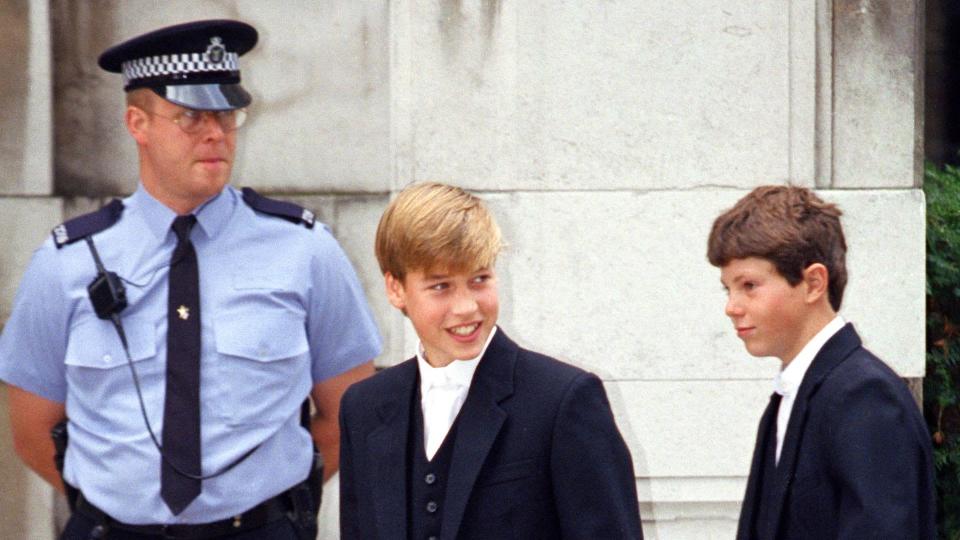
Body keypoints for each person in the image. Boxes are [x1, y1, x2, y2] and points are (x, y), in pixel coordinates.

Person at [0, 19, 381, 539]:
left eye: (227, 115)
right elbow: (31, 429)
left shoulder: (304, 250)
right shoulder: (67, 262)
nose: (215, 134)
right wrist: (116, 506)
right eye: (191, 116)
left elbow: (352, 415)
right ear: (138, 124)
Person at [338, 182, 643, 539]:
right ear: (396, 289)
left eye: (479, 279)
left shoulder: (564, 399)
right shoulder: (363, 407)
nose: (467, 307)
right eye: (441, 286)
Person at [707, 185, 935, 539]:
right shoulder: (794, 392)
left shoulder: (865, 396)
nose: (731, 307)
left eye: (749, 285)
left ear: (813, 283)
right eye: (728, 289)